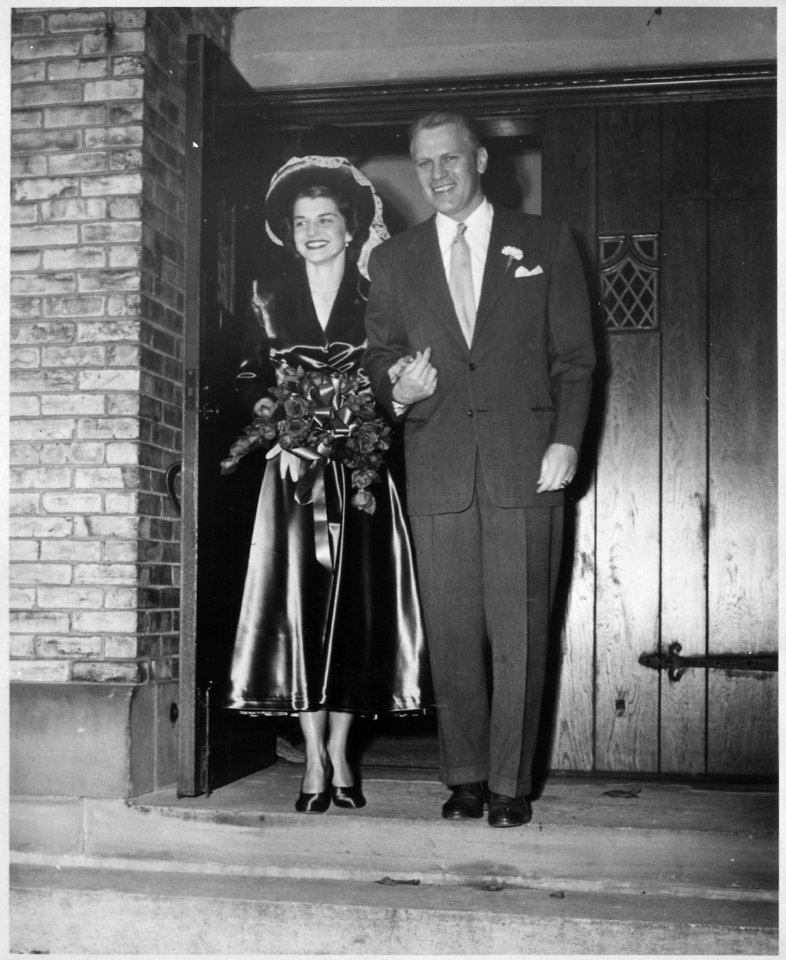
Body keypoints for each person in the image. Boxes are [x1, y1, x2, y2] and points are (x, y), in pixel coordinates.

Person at [363, 110, 595, 827]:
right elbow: (380, 357)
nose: (437, 175)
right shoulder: (394, 260)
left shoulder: (546, 241)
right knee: (453, 630)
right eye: (424, 162)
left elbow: (576, 359)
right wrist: (399, 388)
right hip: (438, 466)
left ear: (481, 159)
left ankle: (509, 785)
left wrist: (566, 441)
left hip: (527, 466)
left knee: (521, 631)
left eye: (450, 160)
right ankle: (464, 776)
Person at [223, 155, 432, 813]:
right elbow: (247, 378)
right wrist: (283, 430)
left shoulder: (378, 295)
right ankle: (311, 755)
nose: (314, 231)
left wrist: (372, 418)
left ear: (350, 227)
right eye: (301, 221)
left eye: (327, 220)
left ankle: (342, 750)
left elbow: (389, 377)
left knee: (355, 614)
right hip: (291, 477)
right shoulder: (266, 294)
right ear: (287, 231)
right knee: (300, 610)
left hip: (361, 474)